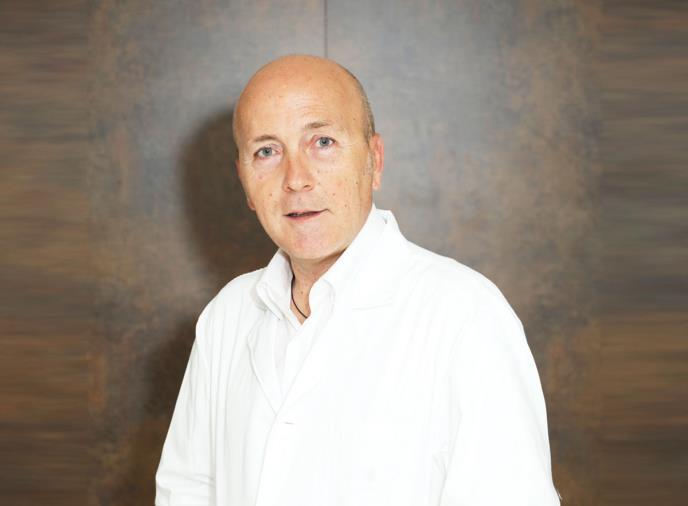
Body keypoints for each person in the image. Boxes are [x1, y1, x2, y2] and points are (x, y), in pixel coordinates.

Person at [155, 54, 561, 506]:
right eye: (267, 151)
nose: (296, 180)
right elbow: (186, 490)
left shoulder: (466, 314)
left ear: (374, 160)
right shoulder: (227, 315)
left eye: (322, 142)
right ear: (245, 182)